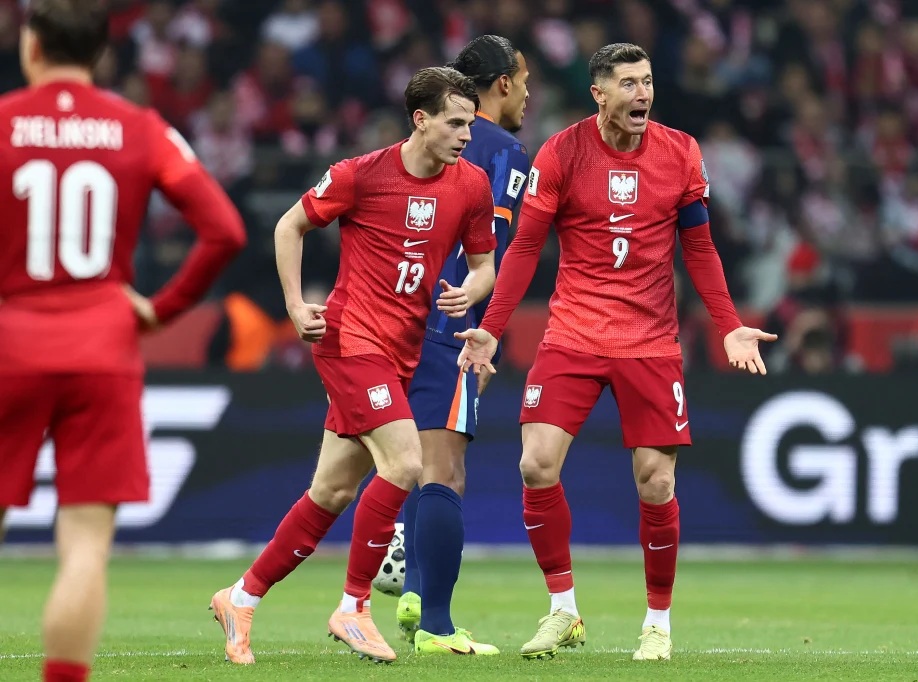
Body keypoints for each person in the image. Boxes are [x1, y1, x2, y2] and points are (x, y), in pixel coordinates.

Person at [457, 43, 777, 662]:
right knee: (535, 465)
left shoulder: (680, 152)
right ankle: (563, 610)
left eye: (648, 81)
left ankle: (657, 623)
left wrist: (729, 325)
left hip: (650, 341)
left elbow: (700, 249)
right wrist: (492, 327)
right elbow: (525, 248)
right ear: (598, 94)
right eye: (628, 84)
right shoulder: (562, 152)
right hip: (573, 334)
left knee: (656, 481)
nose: (643, 93)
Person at [209, 66, 497, 665]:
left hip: (402, 352)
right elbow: (289, 226)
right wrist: (295, 305)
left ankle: (241, 596)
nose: (467, 135)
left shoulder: (471, 185)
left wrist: (468, 293)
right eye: (455, 123)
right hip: (350, 340)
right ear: (420, 120)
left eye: (470, 124)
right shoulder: (360, 175)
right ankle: (354, 607)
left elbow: (483, 266)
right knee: (407, 461)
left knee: (332, 490)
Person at [0, 2, 247, 681]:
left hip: (11, 342)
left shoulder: (3, 121)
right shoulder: (139, 127)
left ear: (31, 47)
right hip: (103, 347)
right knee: (84, 546)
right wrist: (161, 311)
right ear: (101, 54)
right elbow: (225, 230)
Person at [396, 35, 530, 656]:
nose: (526, 95)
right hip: (448, 321)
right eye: (523, 83)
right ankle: (436, 622)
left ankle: (408, 591)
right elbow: (491, 254)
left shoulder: (420, 140)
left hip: (392, 314)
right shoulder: (504, 152)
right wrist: (486, 331)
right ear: (502, 83)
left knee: (402, 464)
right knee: (445, 470)